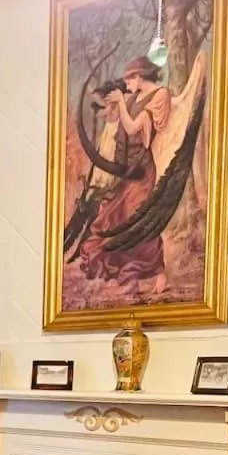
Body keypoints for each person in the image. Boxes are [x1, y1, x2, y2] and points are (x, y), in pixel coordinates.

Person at [78, 56, 172, 295]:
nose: (126, 82)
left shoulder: (160, 96)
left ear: (140, 77)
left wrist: (120, 102)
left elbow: (132, 128)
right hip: (127, 172)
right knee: (116, 219)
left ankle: (159, 274)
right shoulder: (133, 98)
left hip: (142, 172)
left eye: (130, 77)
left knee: (140, 220)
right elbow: (116, 124)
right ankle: (129, 276)